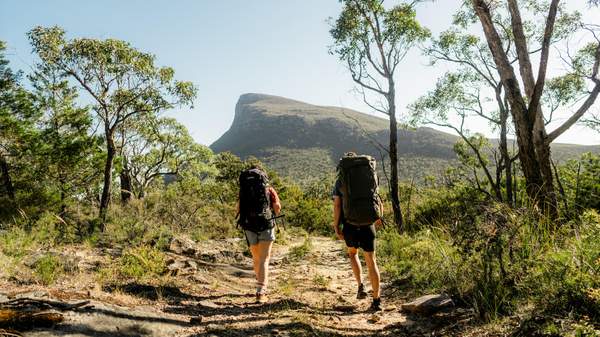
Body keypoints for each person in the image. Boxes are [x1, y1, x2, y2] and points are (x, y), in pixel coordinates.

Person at [332, 153, 383, 311]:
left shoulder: (341, 180)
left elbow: (337, 205)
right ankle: (376, 300)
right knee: (371, 260)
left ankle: (361, 286)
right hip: (368, 222)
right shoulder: (370, 175)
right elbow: (377, 197)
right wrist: (379, 216)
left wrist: (336, 225)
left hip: (350, 223)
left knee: (353, 253)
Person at [237, 165, 281, 303]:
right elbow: (277, 208)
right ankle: (261, 290)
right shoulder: (269, 189)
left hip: (249, 225)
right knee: (264, 259)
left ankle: (259, 281)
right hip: (266, 224)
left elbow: (238, 208)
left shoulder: (244, 189)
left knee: (256, 257)